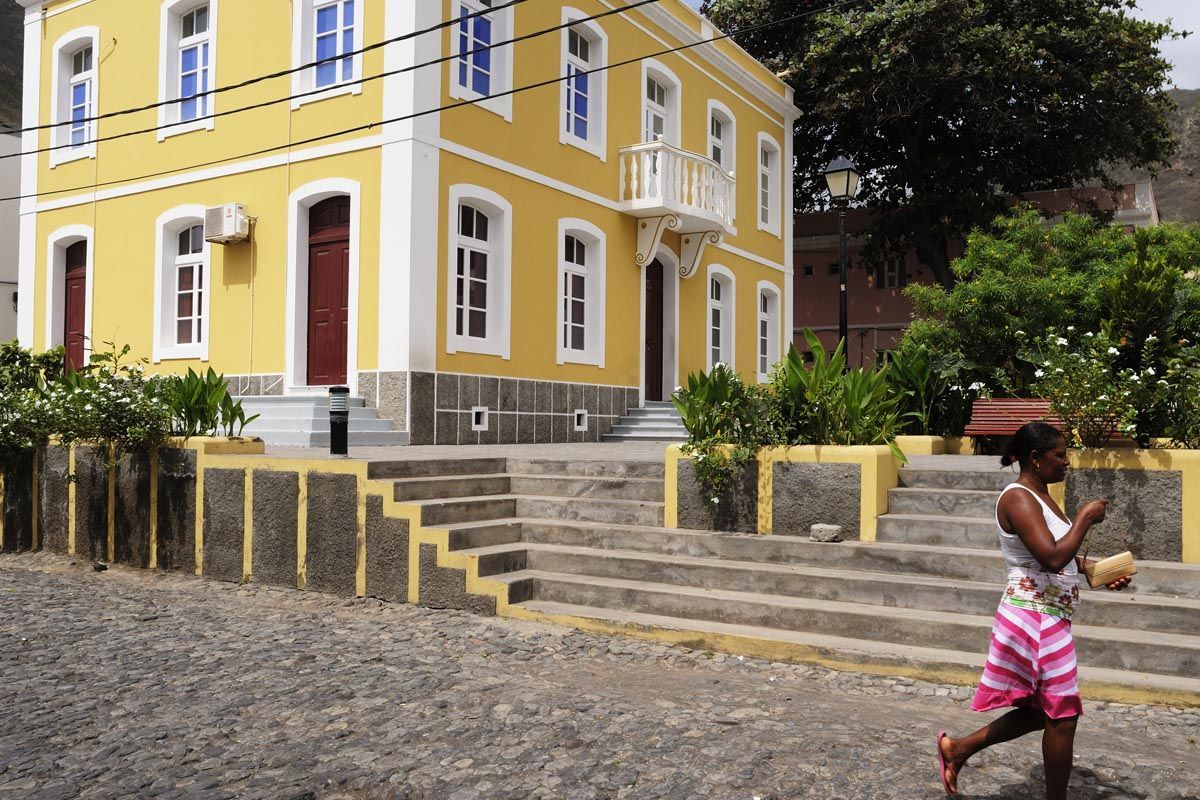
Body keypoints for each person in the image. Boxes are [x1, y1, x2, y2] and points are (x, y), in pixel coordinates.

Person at [935, 422, 1132, 798]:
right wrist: (1085, 517)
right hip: (1034, 618)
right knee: (1063, 714)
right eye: (1059, 454)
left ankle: (958, 749)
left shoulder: (1040, 495)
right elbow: (1053, 557)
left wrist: (1102, 572)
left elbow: (1058, 557)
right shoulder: (1018, 497)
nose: (1067, 461)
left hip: (1048, 615)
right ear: (1036, 459)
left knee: (1047, 711)